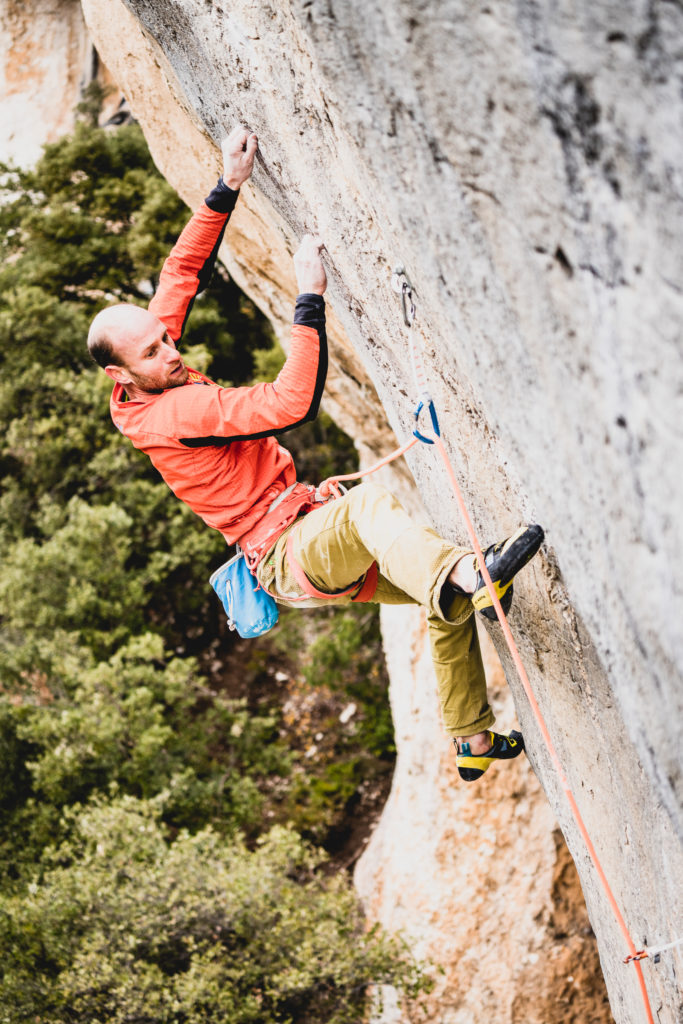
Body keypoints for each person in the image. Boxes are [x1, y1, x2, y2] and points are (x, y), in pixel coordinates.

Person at [88, 126, 544, 783]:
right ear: (121, 376)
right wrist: (309, 296)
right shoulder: (173, 413)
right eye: (155, 351)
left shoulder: (142, 368)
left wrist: (228, 184)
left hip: (294, 536)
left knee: (432, 592)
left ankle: (470, 737)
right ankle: (471, 574)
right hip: (285, 552)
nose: (172, 349)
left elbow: (179, 275)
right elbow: (288, 404)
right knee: (373, 513)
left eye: (165, 337)